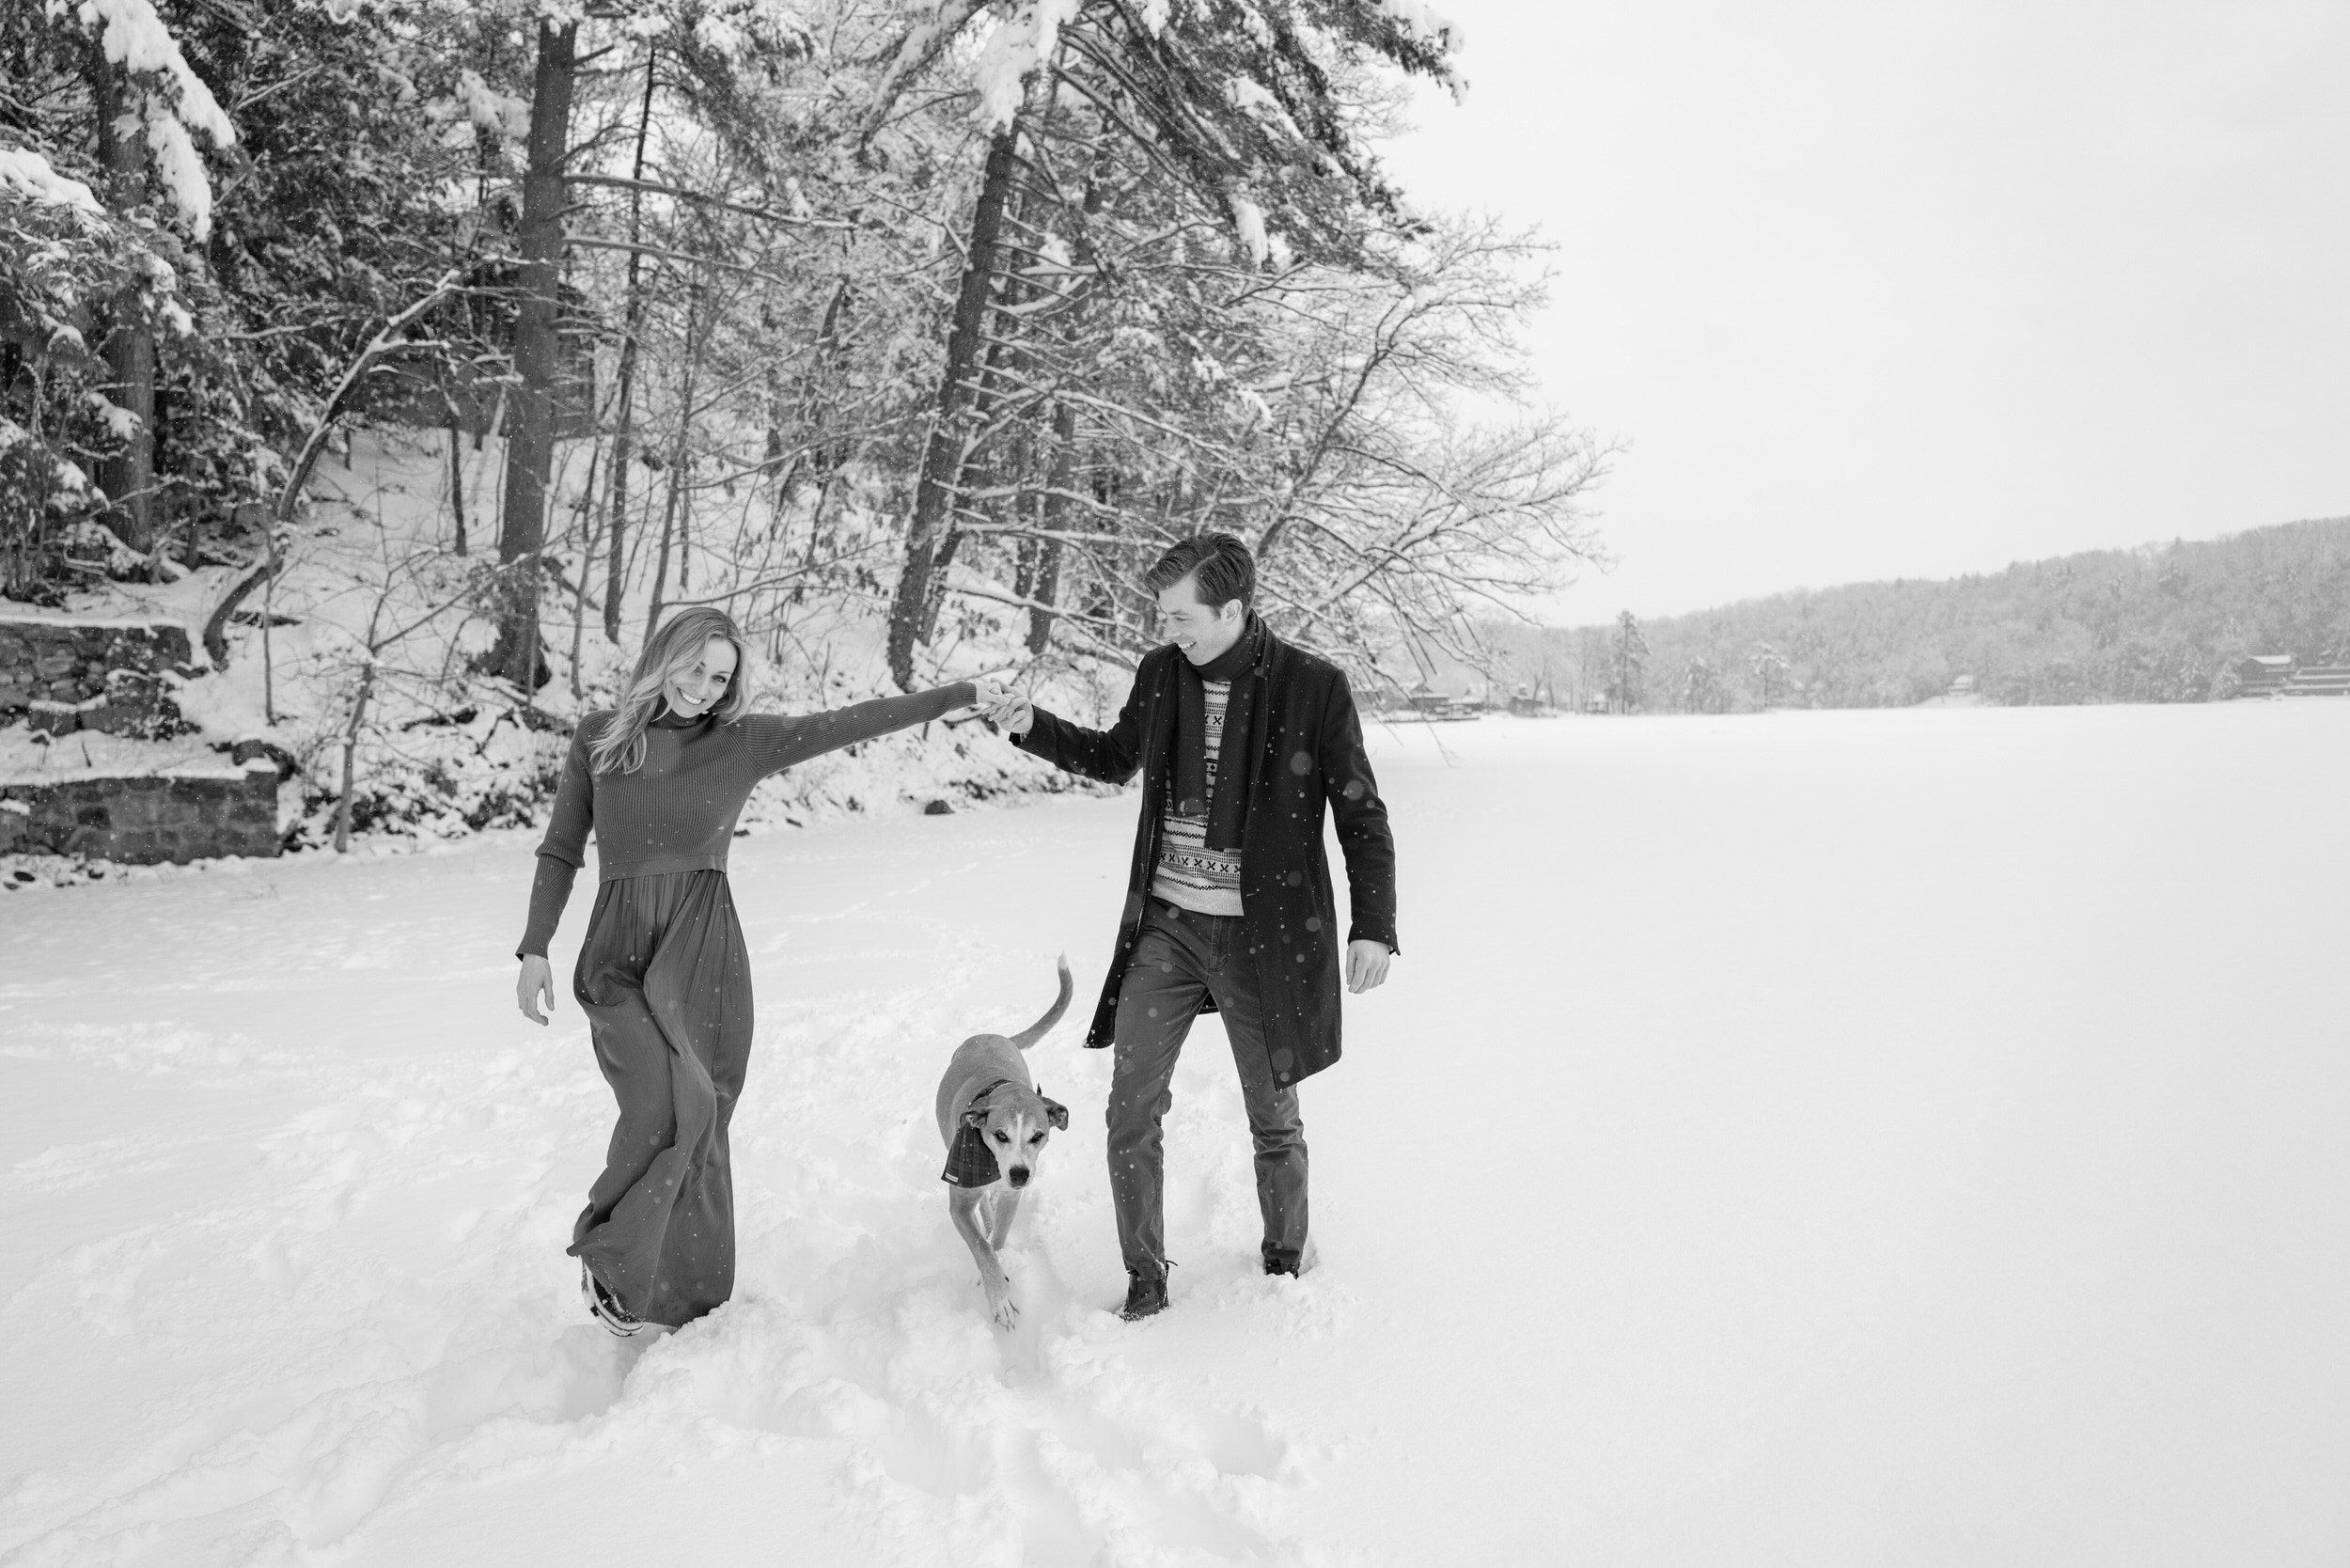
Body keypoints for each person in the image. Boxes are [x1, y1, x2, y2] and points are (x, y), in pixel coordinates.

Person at [513, 606, 1000, 1333]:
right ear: (663, 654)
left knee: (703, 1118)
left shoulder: (740, 743)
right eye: (696, 668)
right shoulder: (600, 738)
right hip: (618, 954)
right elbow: (560, 849)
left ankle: (681, 1298)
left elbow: (854, 720)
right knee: (654, 1106)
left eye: (720, 677)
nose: (706, 688)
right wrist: (533, 946)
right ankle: (613, 1255)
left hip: (703, 954)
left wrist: (959, 695)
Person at [985, 533, 1398, 1320]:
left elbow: (1360, 814)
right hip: (1168, 929)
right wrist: (1029, 725)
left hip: (1262, 936)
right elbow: (1112, 758)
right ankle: (1146, 1278)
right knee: (1130, 1110)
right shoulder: (1163, 674)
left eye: (1181, 615)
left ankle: (1285, 1263)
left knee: (1273, 1114)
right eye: (1163, 614)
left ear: (1232, 610)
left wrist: (1373, 925)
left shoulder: (1311, 687)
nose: (1168, 628)